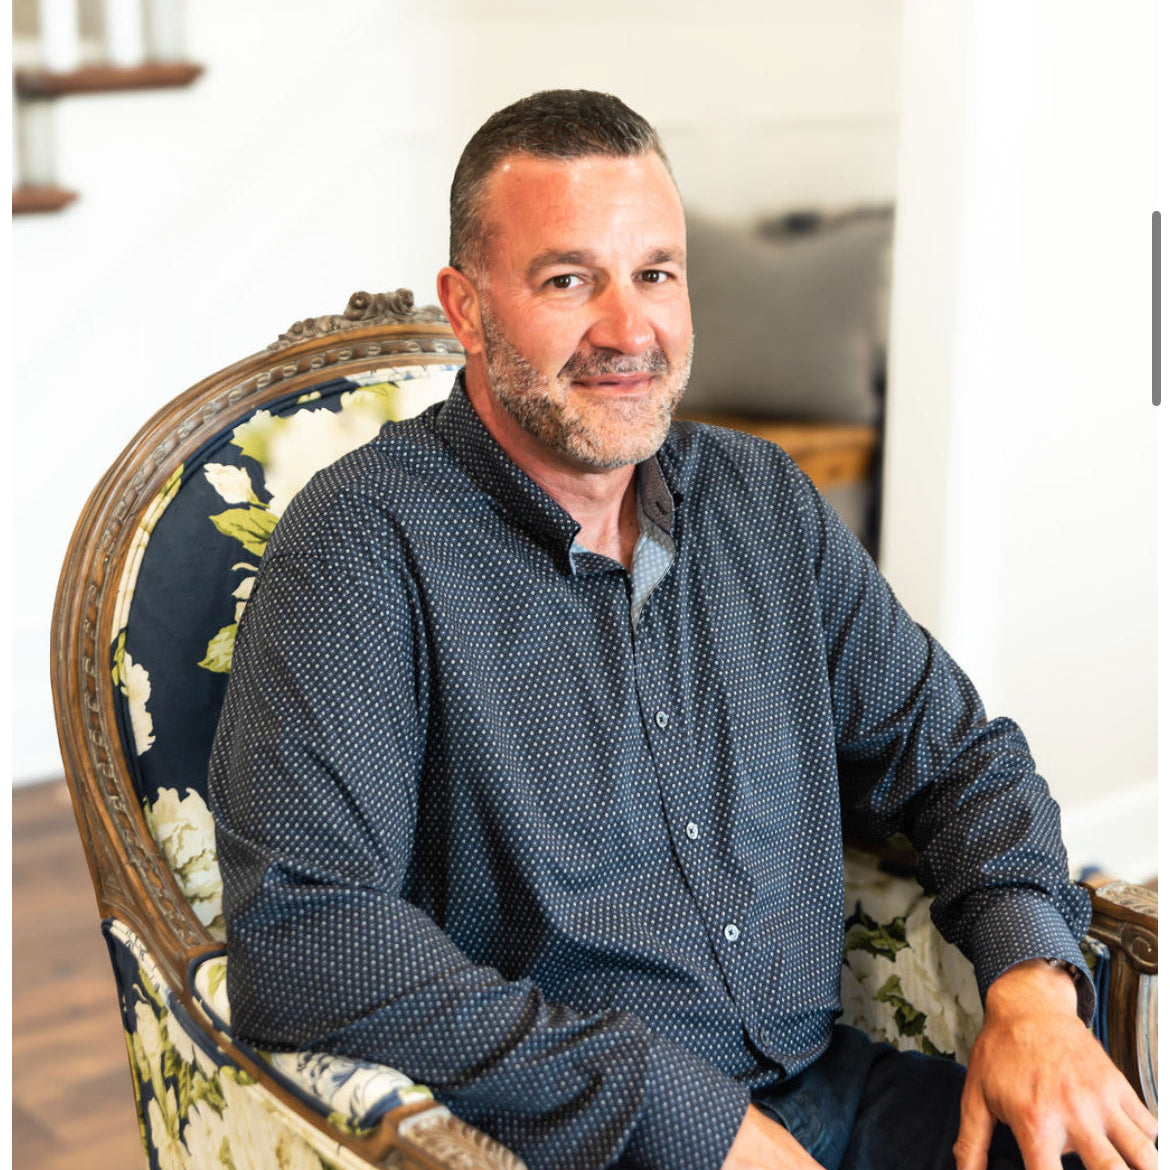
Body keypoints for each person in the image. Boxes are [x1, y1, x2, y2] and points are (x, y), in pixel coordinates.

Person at [209, 90, 1157, 1170]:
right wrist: (693, 1122)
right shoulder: (360, 545)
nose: (630, 331)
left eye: (656, 273)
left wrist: (1032, 992)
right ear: (466, 309)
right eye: (569, 280)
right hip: (582, 1139)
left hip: (833, 1096)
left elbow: (952, 755)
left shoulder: (763, 499)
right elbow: (307, 932)